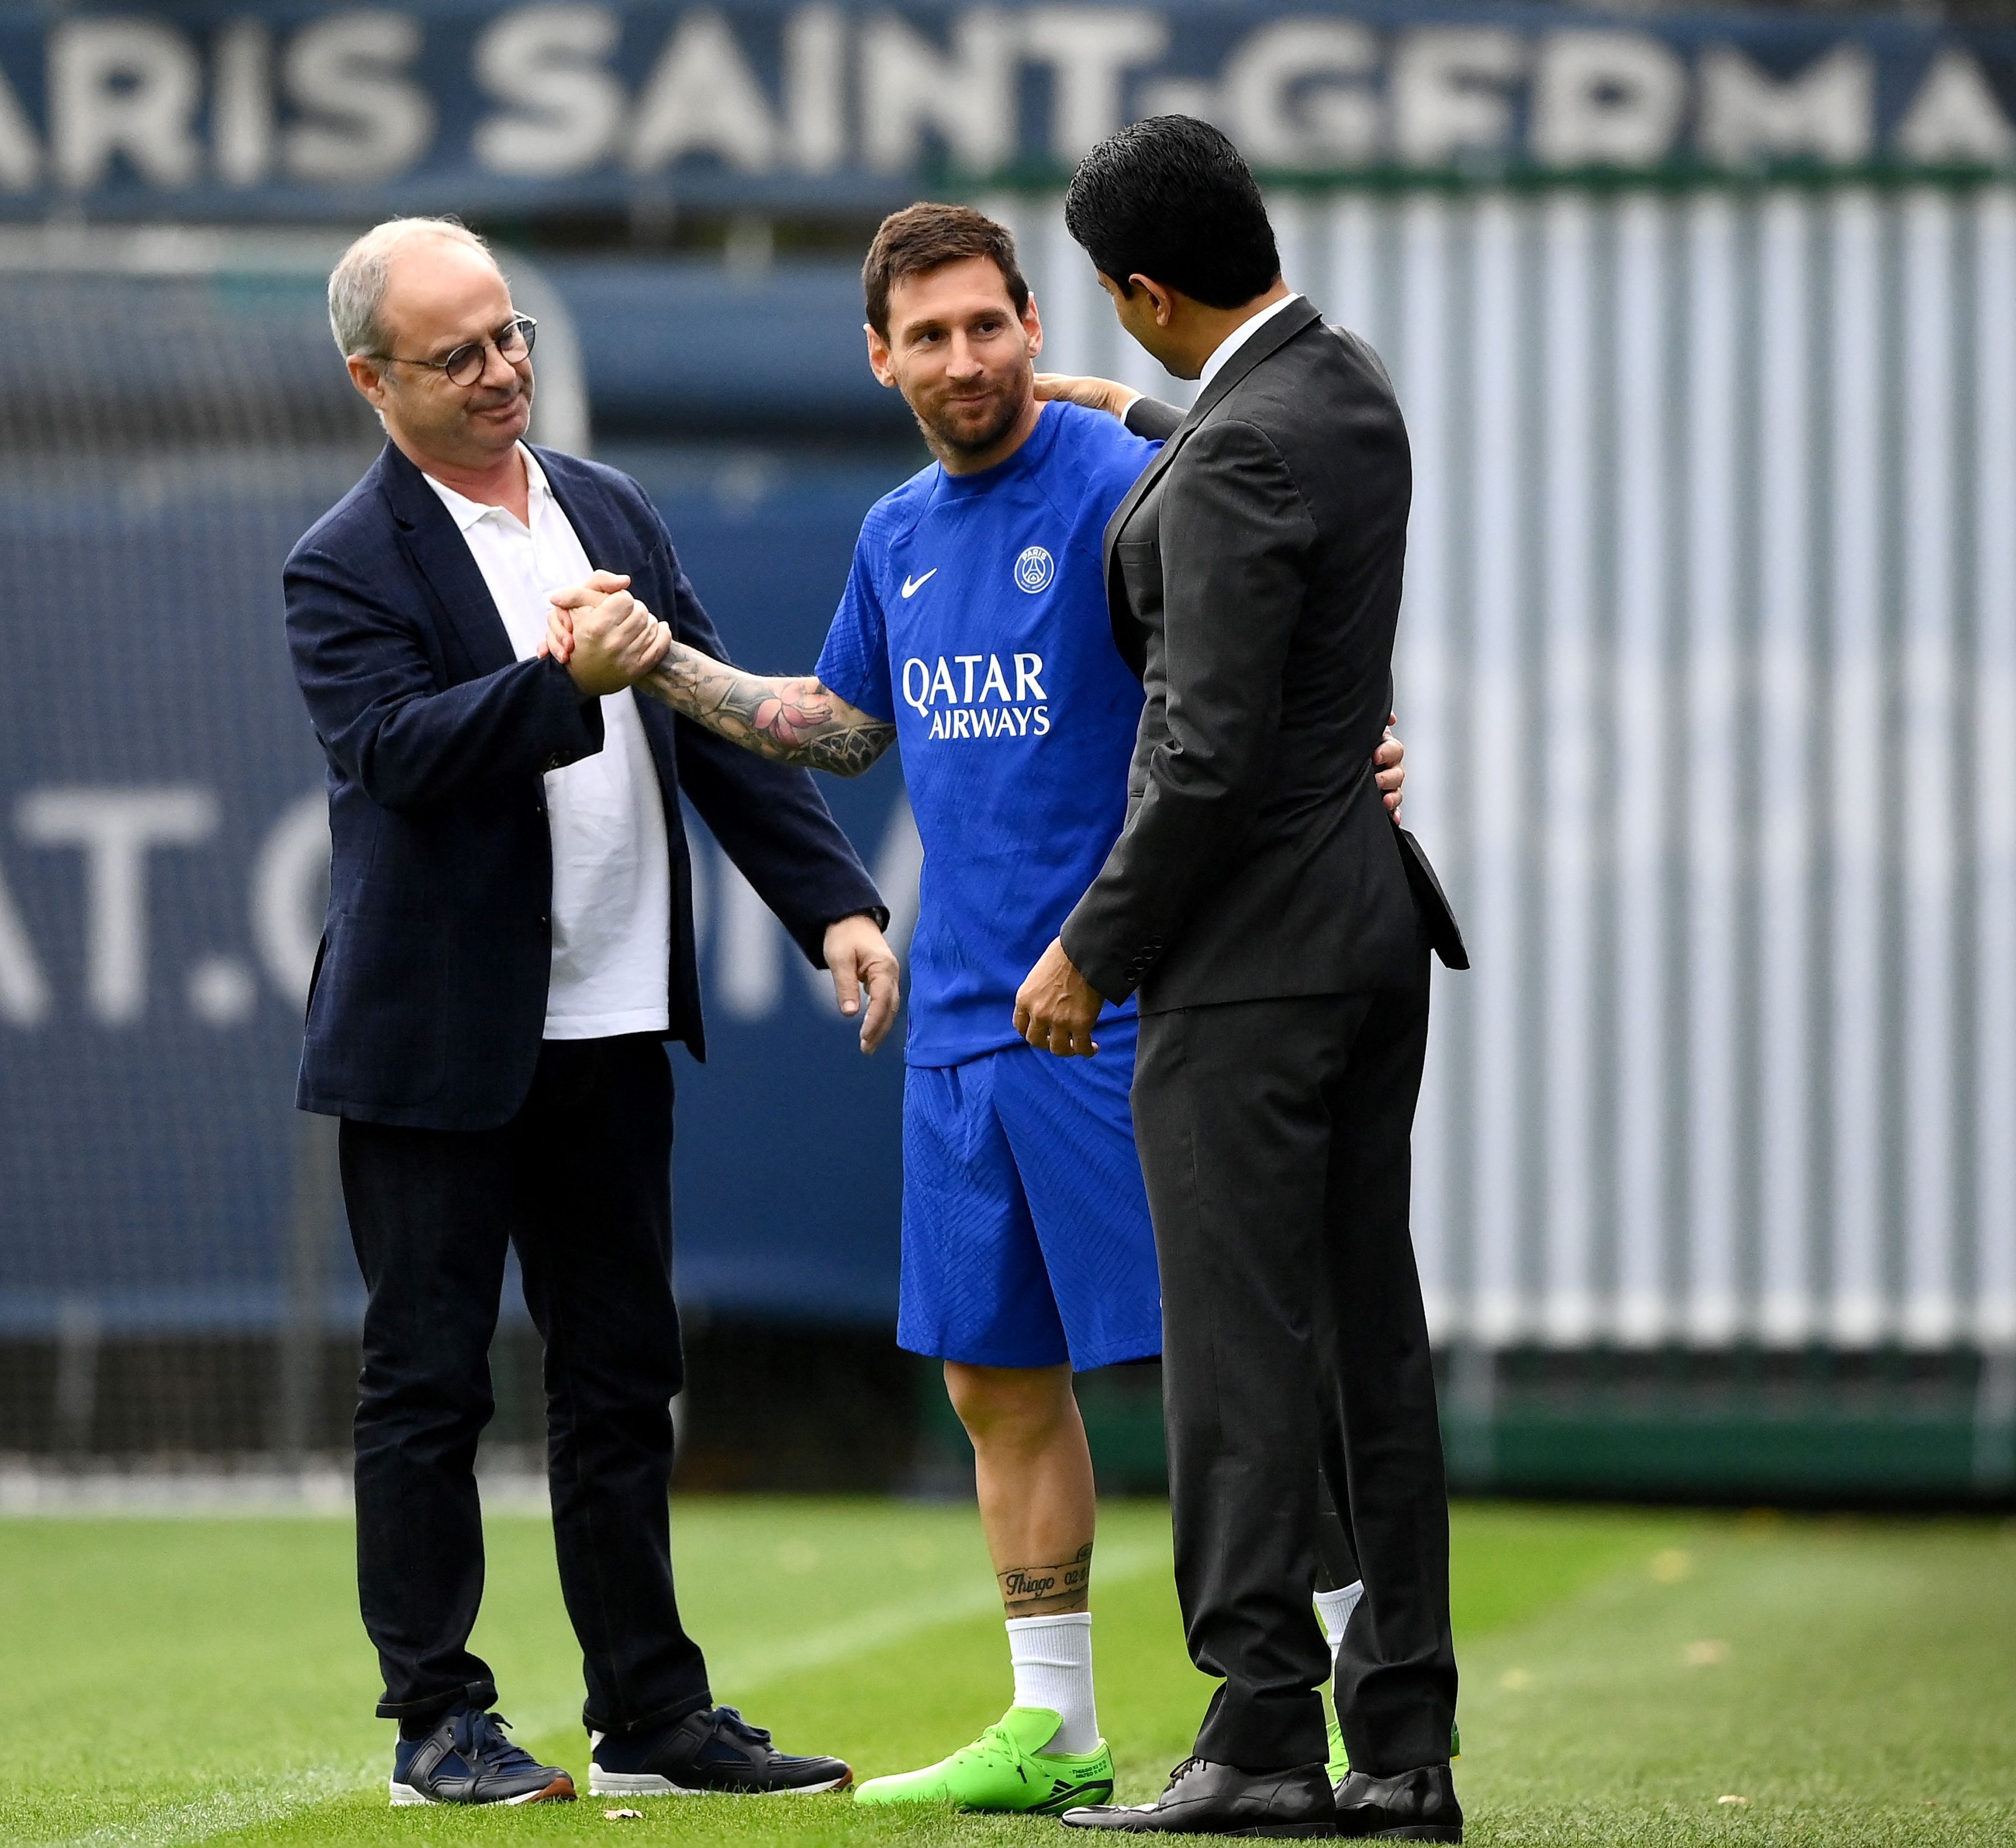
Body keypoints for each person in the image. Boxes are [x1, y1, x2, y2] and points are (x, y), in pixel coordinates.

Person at [542, 202, 1404, 1816]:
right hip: (959, 1023)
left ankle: (1359, 1703)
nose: (962, 358)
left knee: (1228, 1371)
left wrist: (1353, 751)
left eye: (986, 323)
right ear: (879, 358)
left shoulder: (1133, 482)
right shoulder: (892, 536)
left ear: (1032, 322)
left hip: (1127, 1006)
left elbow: (1272, 639)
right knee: (995, 1378)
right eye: (925, 335)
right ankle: (1052, 1722)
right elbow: (842, 726)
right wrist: (663, 663)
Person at [283, 216, 896, 1808]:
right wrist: (565, 684)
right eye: (458, 354)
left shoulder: (607, 504)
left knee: (621, 1375)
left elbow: (719, 731)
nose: (502, 372)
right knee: (427, 1382)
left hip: (614, 1022)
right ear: (372, 379)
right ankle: (437, 1722)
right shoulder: (342, 560)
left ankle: (649, 1710)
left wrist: (833, 902)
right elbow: (398, 752)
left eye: (510, 338)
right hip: (433, 1042)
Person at [1012, 119, 1464, 1840]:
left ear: (1143, 288)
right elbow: (1237, 448)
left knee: (1234, 1355)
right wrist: (1125, 414)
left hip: (1248, 966)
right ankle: (1403, 1746)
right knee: (1368, 1346)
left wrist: (1086, 947)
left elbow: (1196, 757)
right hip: (1368, 935)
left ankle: (1262, 1727)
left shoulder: (1232, 459)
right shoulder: (1342, 388)